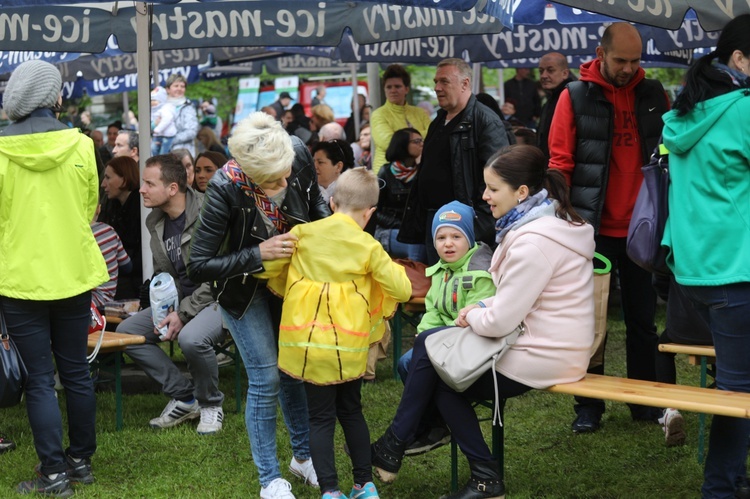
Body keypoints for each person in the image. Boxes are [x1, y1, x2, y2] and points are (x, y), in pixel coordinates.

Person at [371, 144, 594, 499]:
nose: (485, 195)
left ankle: (405, 445)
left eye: (493, 188)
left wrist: (473, 312)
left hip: (546, 353)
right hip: (549, 343)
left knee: (438, 371)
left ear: (521, 192)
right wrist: (480, 310)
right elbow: (513, 298)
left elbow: (500, 320)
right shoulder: (537, 229)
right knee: (430, 354)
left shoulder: (533, 242)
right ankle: (415, 449)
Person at [186, 112, 330, 498]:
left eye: (287, 173)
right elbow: (197, 265)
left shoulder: (294, 151)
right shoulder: (223, 187)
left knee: (294, 372)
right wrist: (258, 254)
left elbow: (315, 202)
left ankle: (303, 459)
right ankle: (270, 479)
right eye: (274, 181)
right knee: (265, 378)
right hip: (241, 292)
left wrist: (333, 237)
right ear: (249, 174)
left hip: (291, 283)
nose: (285, 182)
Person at [260, 167, 412, 499]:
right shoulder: (368, 246)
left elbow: (269, 269)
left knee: (320, 418)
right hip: (350, 345)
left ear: (331, 203)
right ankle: (363, 485)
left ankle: (330, 490)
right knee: (352, 410)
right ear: (370, 212)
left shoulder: (302, 235)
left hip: (308, 344)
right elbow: (401, 289)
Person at [548, 22, 670, 433]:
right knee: (589, 322)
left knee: (642, 319)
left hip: (642, 229)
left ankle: (644, 401)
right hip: (591, 228)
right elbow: (560, 161)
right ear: (600, 54)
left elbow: (666, 155)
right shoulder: (574, 95)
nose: (628, 68)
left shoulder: (653, 93)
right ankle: (589, 405)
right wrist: (564, 219)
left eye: (635, 61)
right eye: (621, 60)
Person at [0, 59, 109, 496]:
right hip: (73, 270)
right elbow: (88, 208)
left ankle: (54, 473)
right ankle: (79, 461)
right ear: (55, 97)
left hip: (20, 275)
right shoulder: (82, 145)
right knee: (76, 372)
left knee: (41, 379)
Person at [661, 14, 750, 498]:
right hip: (735, 272)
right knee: (738, 393)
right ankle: (720, 488)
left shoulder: (690, 110)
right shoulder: (741, 109)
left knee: (737, 387)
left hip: (694, 273)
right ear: (739, 60)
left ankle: (731, 480)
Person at [116, 154, 225, 435]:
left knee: (192, 338)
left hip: (219, 298)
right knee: (129, 332)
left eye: (149, 183)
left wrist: (183, 314)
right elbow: (169, 276)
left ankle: (211, 404)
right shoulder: (156, 221)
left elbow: (217, 277)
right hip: (181, 302)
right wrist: (162, 306)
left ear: (173, 189)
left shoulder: (208, 213)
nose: (141, 189)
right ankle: (186, 397)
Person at [397, 201, 496, 456]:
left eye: (456, 236)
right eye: (440, 237)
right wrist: (425, 332)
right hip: (446, 341)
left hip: (474, 344)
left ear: (470, 238)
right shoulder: (441, 271)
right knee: (406, 363)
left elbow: (474, 318)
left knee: (418, 366)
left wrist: (433, 337)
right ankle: (434, 424)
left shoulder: (480, 272)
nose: (448, 243)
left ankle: (426, 427)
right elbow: (434, 310)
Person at [399, 58, 510, 265]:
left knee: (461, 291)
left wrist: (476, 226)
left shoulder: (485, 121)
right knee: (438, 288)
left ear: (465, 84)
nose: (437, 88)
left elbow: (497, 179)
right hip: (435, 221)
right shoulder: (438, 120)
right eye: (435, 82)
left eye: (444, 82)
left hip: (463, 226)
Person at [373, 128, 427, 262]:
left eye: (422, 140)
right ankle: (415, 279)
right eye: (416, 141)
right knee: (415, 245)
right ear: (402, 144)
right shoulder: (385, 172)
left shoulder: (422, 171)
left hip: (414, 230)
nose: (421, 144)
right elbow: (375, 210)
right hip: (389, 229)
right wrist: (401, 225)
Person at [370, 64, 431, 173]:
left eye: (397, 86)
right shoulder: (378, 114)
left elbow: (433, 136)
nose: (393, 90)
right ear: (384, 89)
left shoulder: (420, 112)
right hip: (388, 174)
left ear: (406, 89)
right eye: (389, 87)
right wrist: (420, 138)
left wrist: (401, 137)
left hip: (419, 170)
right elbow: (388, 143)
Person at [99, 156, 143, 300]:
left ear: (124, 179)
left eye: (108, 178)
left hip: (134, 282)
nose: (103, 184)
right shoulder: (113, 206)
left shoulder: (142, 208)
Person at [91, 206, 133, 309]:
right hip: (107, 299)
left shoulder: (75, 236)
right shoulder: (109, 231)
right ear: (98, 209)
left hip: (90, 303)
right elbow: (127, 266)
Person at [537, 52, 575, 157]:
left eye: (550, 70)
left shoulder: (574, 98)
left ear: (565, 73)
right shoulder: (550, 101)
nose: (544, 75)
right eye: (541, 71)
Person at [165, 73, 199, 155]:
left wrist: (169, 140)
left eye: (182, 86)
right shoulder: (161, 106)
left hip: (183, 154)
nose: (179, 89)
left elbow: (192, 131)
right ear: (168, 89)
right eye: (176, 86)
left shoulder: (188, 107)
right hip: (162, 153)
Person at [150, 86, 177, 156]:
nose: (152, 102)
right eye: (151, 100)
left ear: (161, 100)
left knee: (163, 153)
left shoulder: (166, 108)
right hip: (158, 135)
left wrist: (157, 129)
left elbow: (166, 120)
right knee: (153, 149)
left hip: (167, 135)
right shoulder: (153, 110)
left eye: (154, 100)